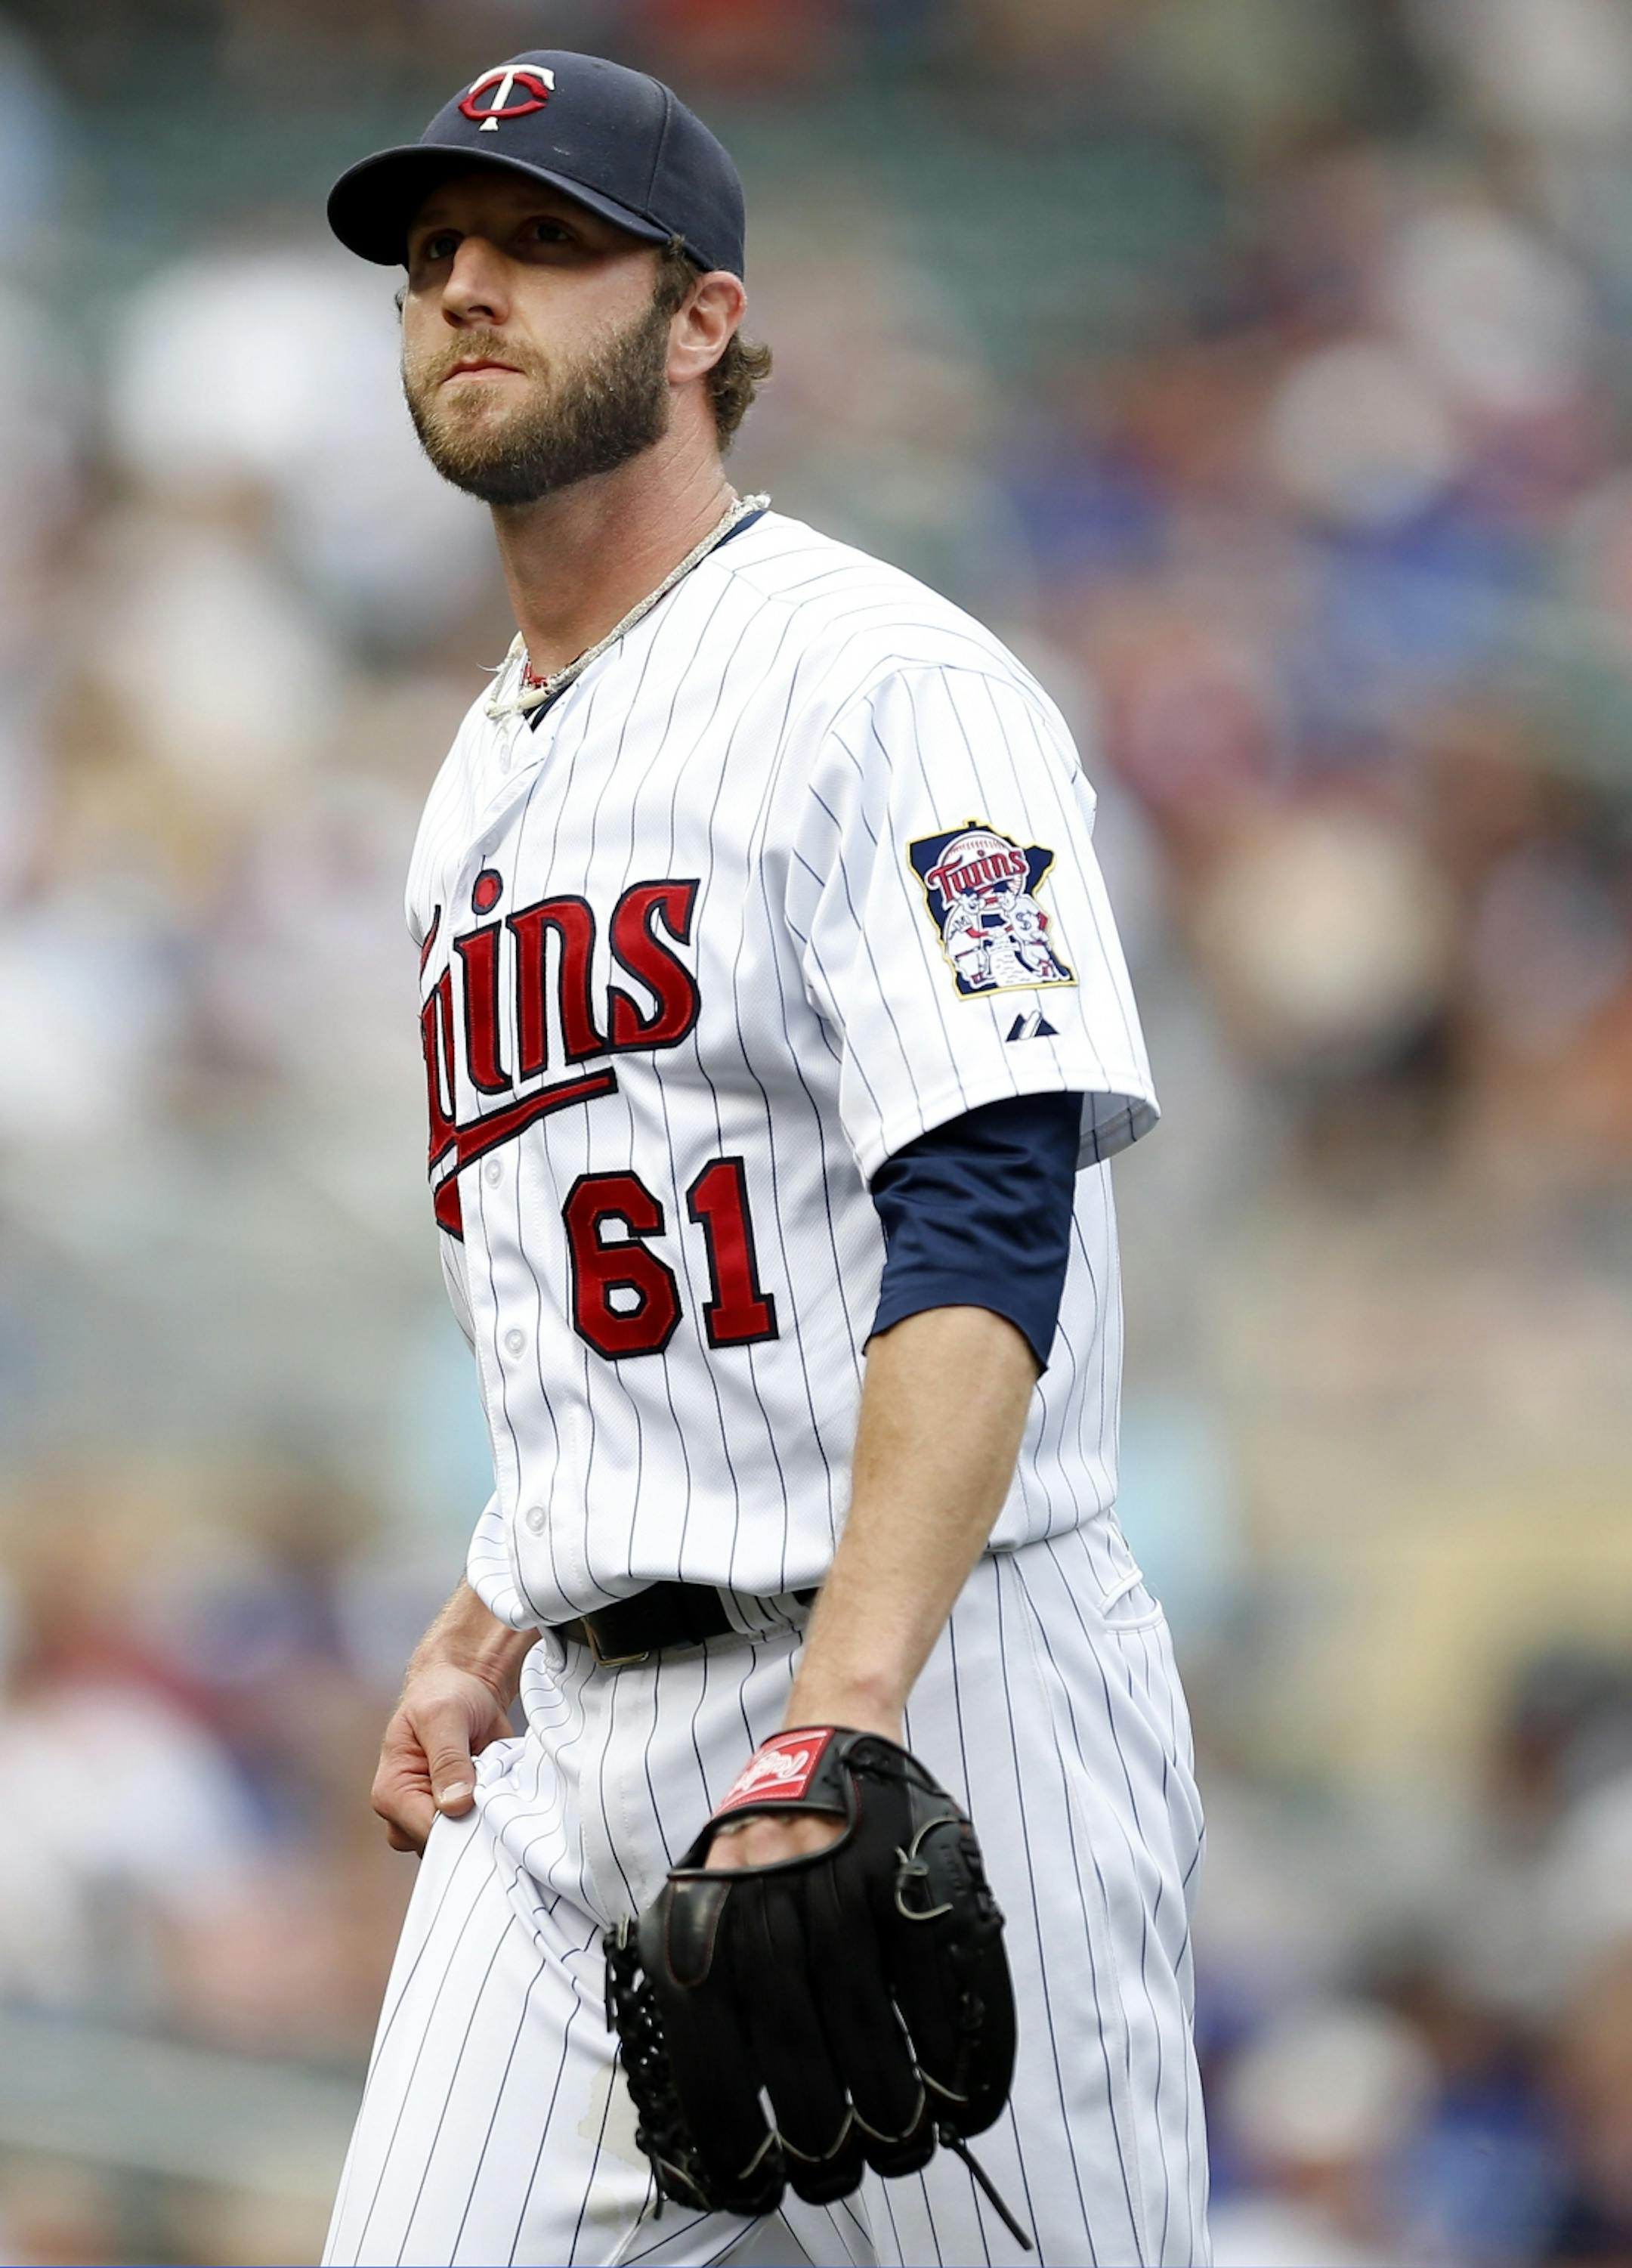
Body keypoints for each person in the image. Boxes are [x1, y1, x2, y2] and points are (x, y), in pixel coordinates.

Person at [320, 48, 1208, 2268]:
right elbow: (593, 1256)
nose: (467, 289)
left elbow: (993, 1210)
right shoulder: (476, 768)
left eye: (542, 241)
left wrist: (846, 1715)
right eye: (434, 255)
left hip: (933, 1682)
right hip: (576, 1752)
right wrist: (496, 1602)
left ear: (702, 318)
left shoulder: (884, 683)